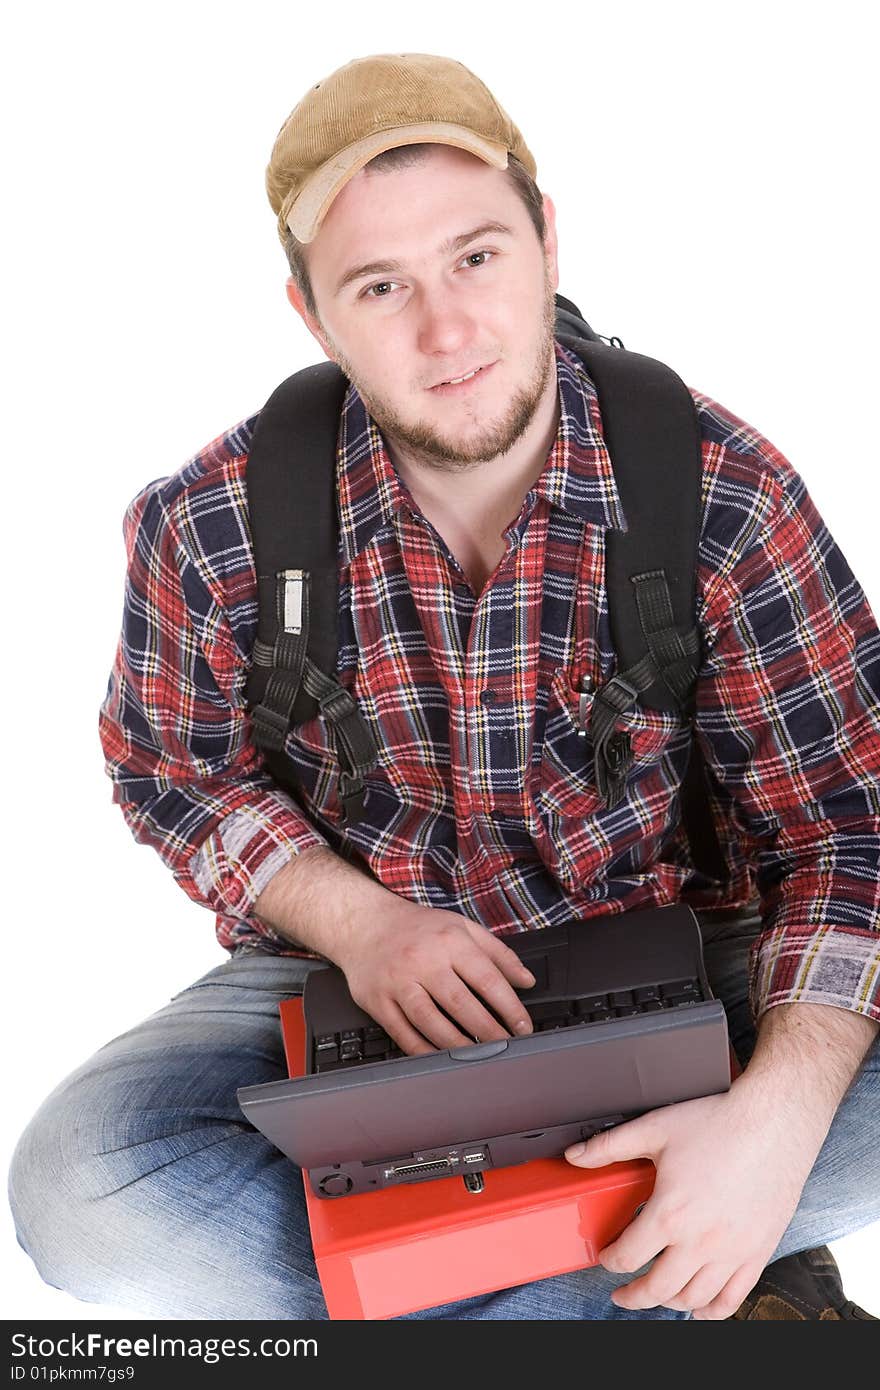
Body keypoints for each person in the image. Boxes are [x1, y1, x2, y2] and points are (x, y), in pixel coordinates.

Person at [8, 52, 880, 1322]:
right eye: (381, 285)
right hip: (360, 971)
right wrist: (359, 924)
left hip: (689, 966)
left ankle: (481, 1267)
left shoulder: (722, 492)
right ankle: (691, 1275)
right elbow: (172, 770)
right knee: (77, 1191)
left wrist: (775, 1123)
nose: (447, 330)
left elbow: (846, 828)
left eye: (476, 256)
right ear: (312, 314)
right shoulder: (210, 524)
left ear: (546, 242)